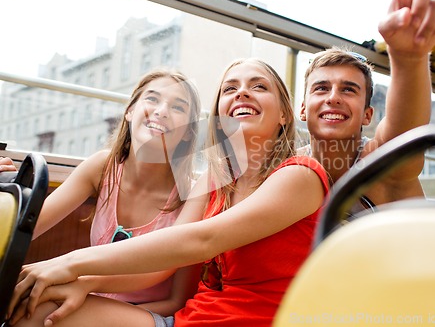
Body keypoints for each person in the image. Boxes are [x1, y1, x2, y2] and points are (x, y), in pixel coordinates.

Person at [7, 58, 329, 327]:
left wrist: (74, 267)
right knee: (31, 308)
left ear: (285, 114)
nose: (242, 92)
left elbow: (200, 241)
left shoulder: (300, 174)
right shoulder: (216, 183)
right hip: (192, 319)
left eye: (259, 86)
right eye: (230, 89)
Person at [6, 68, 203, 316]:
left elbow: (178, 300)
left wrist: (86, 295)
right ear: (130, 111)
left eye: (178, 108)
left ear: (188, 132)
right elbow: (26, 227)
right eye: (152, 98)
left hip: (145, 314)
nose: (161, 111)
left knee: (34, 312)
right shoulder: (101, 167)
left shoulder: (193, 195)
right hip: (86, 297)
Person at [299, 0, 435, 206]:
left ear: (368, 115)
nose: (333, 97)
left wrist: (409, 58)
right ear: (302, 109)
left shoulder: (379, 162)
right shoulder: (287, 168)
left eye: (348, 90)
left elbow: (405, 132)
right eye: (321, 88)